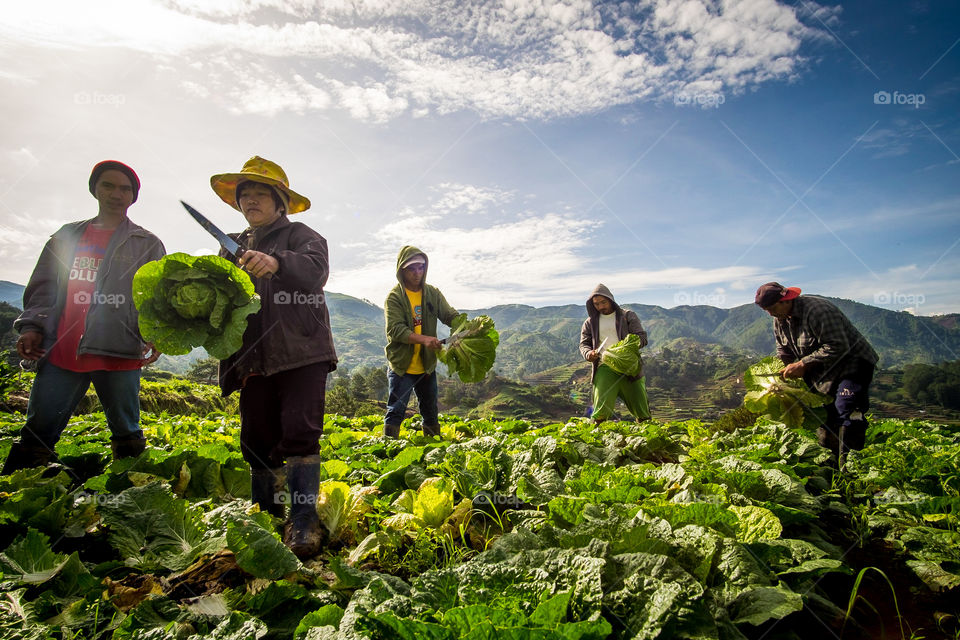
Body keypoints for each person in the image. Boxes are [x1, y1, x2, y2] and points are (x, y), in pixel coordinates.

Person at [2, 160, 165, 475]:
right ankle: (17, 495)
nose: (116, 194)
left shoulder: (147, 244)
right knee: (38, 428)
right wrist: (33, 325)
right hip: (64, 348)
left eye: (125, 188)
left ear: (133, 196)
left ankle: (130, 498)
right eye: (108, 185)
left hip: (118, 351)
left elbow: (156, 298)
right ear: (95, 189)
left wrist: (156, 334)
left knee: (127, 432)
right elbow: (44, 286)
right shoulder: (67, 236)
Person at [210, 156, 337, 558]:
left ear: (280, 201)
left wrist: (277, 262)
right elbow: (217, 296)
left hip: (301, 349)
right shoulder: (230, 246)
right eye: (244, 194)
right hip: (252, 356)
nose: (250, 200)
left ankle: (302, 520)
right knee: (256, 438)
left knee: (299, 433)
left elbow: (315, 272)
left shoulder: (303, 236)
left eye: (260, 193)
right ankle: (266, 514)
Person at [755, 282, 878, 464]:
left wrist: (804, 363)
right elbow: (784, 350)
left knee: (847, 409)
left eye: (772, 308)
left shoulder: (818, 311)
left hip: (852, 364)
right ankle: (830, 466)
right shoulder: (779, 319)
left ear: (786, 300)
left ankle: (852, 469)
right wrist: (788, 370)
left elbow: (838, 345)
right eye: (767, 310)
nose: (771, 313)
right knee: (825, 414)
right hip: (822, 371)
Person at [383, 247, 458, 438]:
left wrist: (466, 326)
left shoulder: (432, 294)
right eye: (411, 269)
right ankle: (387, 453)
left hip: (426, 366)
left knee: (431, 413)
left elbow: (449, 315)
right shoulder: (395, 297)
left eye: (421, 267)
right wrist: (425, 340)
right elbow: (395, 330)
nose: (417, 273)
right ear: (402, 270)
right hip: (402, 367)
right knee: (396, 412)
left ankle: (433, 453)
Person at [579, 284, 651, 422]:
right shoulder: (590, 323)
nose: (600, 307)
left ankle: (647, 437)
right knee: (600, 409)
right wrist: (588, 354)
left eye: (603, 302)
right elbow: (584, 344)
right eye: (596, 304)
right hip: (604, 366)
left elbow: (642, 337)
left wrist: (625, 348)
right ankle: (596, 438)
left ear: (610, 299)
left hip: (629, 366)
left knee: (641, 408)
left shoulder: (627, 316)